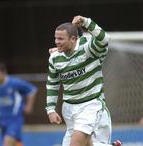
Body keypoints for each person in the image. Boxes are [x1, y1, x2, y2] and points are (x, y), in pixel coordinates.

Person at [45, 15, 121, 146]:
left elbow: (104, 39)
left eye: (60, 39)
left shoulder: (88, 50)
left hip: (90, 105)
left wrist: (86, 22)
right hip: (69, 109)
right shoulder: (55, 58)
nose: (56, 42)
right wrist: (51, 109)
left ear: (73, 39)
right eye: (55, 38)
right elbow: (52, 84)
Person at [0, 63, 37, 146]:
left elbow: (32, 90)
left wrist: (29, 106)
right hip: (2, 118)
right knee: (15, 143)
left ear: (4, 73)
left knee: (7, 142)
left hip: (14, 118)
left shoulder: (14, 83)